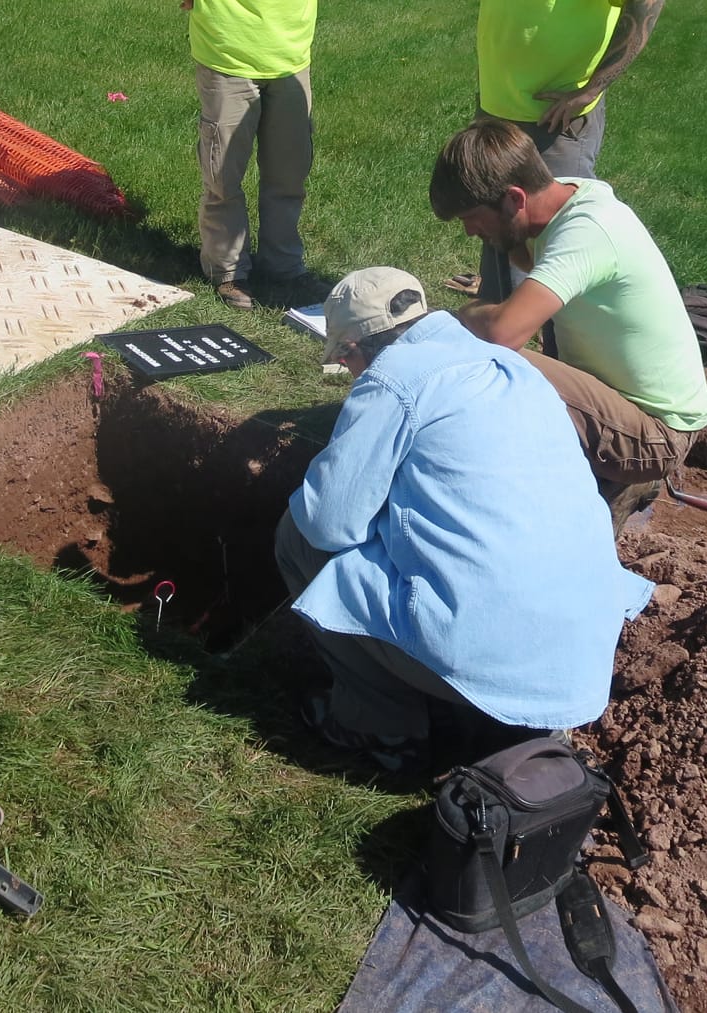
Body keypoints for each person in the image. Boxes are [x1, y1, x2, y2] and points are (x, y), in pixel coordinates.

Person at [275, 267, 653, 775]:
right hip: (581, 659)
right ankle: (496, 715)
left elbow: (328, 523)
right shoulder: (512, 367)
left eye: (344, 362)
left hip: (490, 651)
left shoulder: (393, 378)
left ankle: (379, 726)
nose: (349, 373)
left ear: (353, 348)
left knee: (299, 538)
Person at [429, 119, 707, 530]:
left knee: (487, 360)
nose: (471, 231)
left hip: (656, 434)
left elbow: (503, 332)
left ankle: (585, 498)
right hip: (630, 401)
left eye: (472, 217)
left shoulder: (586, 232)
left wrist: (459, 316)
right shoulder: (564, 199)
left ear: (513, 198)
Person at [464, 0, 666, 304]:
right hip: (498, 104)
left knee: (560, 238)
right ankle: (498, 320)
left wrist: (591, 89)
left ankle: (556, 338)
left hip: (554, 119)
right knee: (499, 221)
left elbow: (647, 4)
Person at [184, 0, 320, 310]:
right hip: (227, 51)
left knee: (289, 174)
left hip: (291, 54)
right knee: (223, 177)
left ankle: (284, 265)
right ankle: (227, 270)